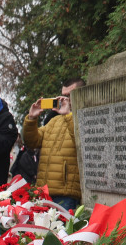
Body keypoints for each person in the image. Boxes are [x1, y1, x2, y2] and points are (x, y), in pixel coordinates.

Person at [23, 77, 85, 211]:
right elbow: (32, 142)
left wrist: (68, 115)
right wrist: (32, 119)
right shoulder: (54, 120)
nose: (65, 100)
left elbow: (82, 140)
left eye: (70, 95)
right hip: (43, 191)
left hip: (65, 194)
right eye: (64, 95)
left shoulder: (84, 117)